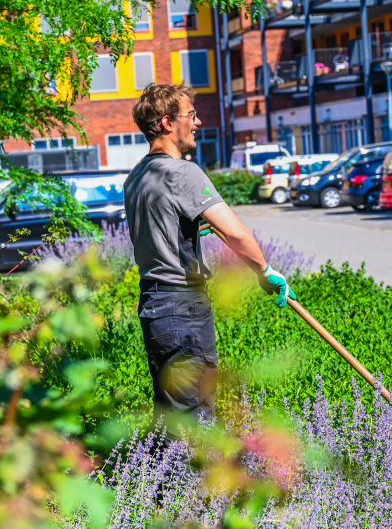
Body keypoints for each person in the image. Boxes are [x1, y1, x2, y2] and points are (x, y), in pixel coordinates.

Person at [124, 83, 295, 424]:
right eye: (191, 115)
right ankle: (194, 480)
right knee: (196, 418)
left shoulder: (137, 176)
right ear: (168, 122)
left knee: (172, 416)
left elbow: (159, 231)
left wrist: (190, 229)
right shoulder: (182, 172)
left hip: (154, 308)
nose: (198, 122)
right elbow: (235, 232)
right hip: (182, 308)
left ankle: (160, 478)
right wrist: (265, 271)